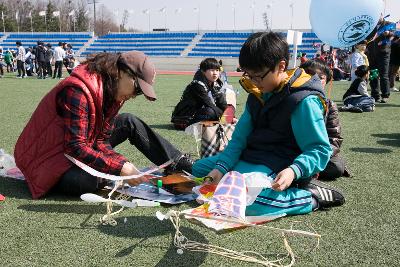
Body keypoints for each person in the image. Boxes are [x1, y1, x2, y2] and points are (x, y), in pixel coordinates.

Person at [192, 32, 345, 216]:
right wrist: (220, 168)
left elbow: (319, 150)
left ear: (281, 66)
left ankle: (310, 197)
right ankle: (228, 176)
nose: (253, 83)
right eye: (249, 75)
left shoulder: (303, 101)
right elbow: (239, 140)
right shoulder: (257, 93)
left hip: (280, 165)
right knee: (197, 172)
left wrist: (293, 171)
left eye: (258, 76)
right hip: (251, 157)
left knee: (249, 202)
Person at [14, 51, 194, 199]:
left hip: (75, 149)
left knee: (128, 121)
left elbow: (100, 141)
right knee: (89, 181)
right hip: (48, 161)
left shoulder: (113, 91)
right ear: (122, 73)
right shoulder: (78, 90)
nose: (134, 95)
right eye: (137, 89)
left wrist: (121, 164)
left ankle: (177, 162)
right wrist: (120, 168)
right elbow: (75, 147)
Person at [300, 59, 350, 180]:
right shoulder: (293, 100)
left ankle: (305, 171)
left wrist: (320, 156)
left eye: (320, 77)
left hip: (317, 153)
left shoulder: (329, 106)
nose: (314, 80)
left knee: (336, 167)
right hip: (292, 150)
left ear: (326, 81)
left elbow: (334, 138)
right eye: (310, 75)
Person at [171, 58, 228, 130]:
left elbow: (222, 103)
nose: (215, 73)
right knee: (210, 111)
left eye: (217, 70)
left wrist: (230, 116)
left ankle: (210, 123)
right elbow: (208, 103)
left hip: (198, 113)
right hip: (184, 118)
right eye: (212, 70)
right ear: (203, 71)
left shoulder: (215, 84)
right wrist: (225, 117)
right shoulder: (197, 84)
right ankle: (190, 125)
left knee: (220, 109)